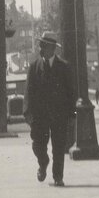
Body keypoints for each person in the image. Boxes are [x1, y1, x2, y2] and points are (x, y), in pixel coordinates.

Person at [23, 31, 77, 187]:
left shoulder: (64, 67)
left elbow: (71, 93)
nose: (40, 48)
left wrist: (72, 115)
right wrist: (27, 112)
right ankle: (43, 162)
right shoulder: (34, 67)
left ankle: (58, 177)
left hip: (59, 115)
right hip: (40, 116)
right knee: (37, 145)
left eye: (44, 45)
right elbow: (28, 92)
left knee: (59, 147)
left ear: (52, 48)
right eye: (40, 45)